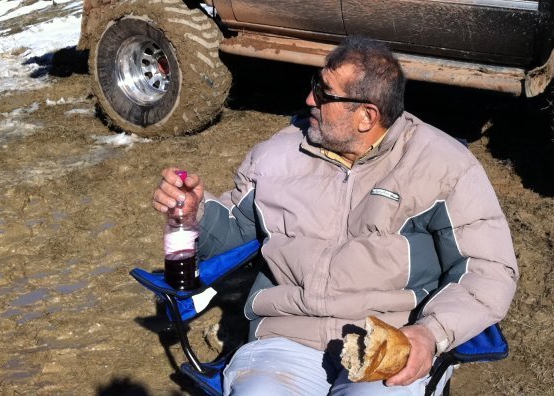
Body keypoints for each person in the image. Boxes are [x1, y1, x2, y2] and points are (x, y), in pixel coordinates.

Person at [152, 36, 519, 395]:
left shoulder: (442, 165)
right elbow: (234, 234)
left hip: (387, 341)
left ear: (366, 116)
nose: (309, 99)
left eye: (324, 94)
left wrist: (431, 333)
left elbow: (487, 269)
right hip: (284, 339)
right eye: (315, 85)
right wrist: (196, 213)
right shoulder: (276, 156)